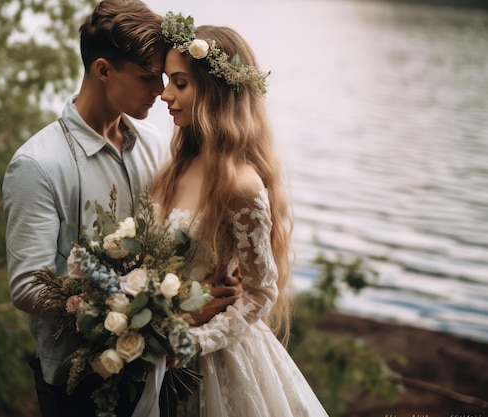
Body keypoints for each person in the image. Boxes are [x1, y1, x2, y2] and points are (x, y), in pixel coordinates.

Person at [2, 2, 241, 417]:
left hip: (164, 372)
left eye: (165, 79)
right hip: (80, 384)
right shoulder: (38, 164)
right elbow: (28, 287)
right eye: (148, 77)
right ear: (103, 70)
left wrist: (221, 266)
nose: (160, 91)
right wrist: (168, 311)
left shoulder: (153, 142)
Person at [152, 12, 329, 417]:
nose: (165, 96)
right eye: (166, 83)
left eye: (179, 83)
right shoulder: (177, 165)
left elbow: (261, 292)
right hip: (163, 346)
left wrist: (192, 342)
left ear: (213, 90)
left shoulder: (240, 184)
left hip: (216, 359)